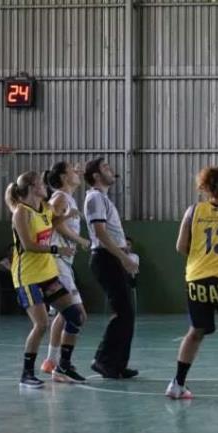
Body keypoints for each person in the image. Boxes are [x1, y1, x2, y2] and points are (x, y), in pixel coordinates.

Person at [165, 166, 218, 401]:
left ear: (204, 187)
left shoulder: (193, 211)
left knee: (195, 332)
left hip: (197, 279)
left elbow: (181, 247)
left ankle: (178, 383)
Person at [5, 171, 86, 387]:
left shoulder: (45, 208)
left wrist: (68, 214)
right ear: (32, 187)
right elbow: (28, 245)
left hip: (48, 274)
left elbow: (52, 222)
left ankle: (62, 366)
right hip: (28, 276)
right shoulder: (21, 213)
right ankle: (27, 374)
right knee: (41, 324)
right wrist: (57, 248)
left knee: (75, 316)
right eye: (41, 184)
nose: (45, 187)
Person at [83, 158, 139, 379]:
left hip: (113, 257)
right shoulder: (95, 197)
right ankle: (103, 360)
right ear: (96, 176)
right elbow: (100, 233)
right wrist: (122, 257)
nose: (111, 170)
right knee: (123, 312)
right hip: (106, 258)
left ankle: (117, 364)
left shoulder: (103, 198)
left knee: (127, 314)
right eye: (105, 168)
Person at [40, 162, 91, 375]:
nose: (77, 171)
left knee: (65, 313)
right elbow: (53, 223)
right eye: (72, 169)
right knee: (77, 315)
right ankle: (63, 366)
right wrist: (80, 240)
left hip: (64, 263)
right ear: (62, 177)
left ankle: (52, 361)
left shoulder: (66, 198)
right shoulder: (60, 197)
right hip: (57, 262)